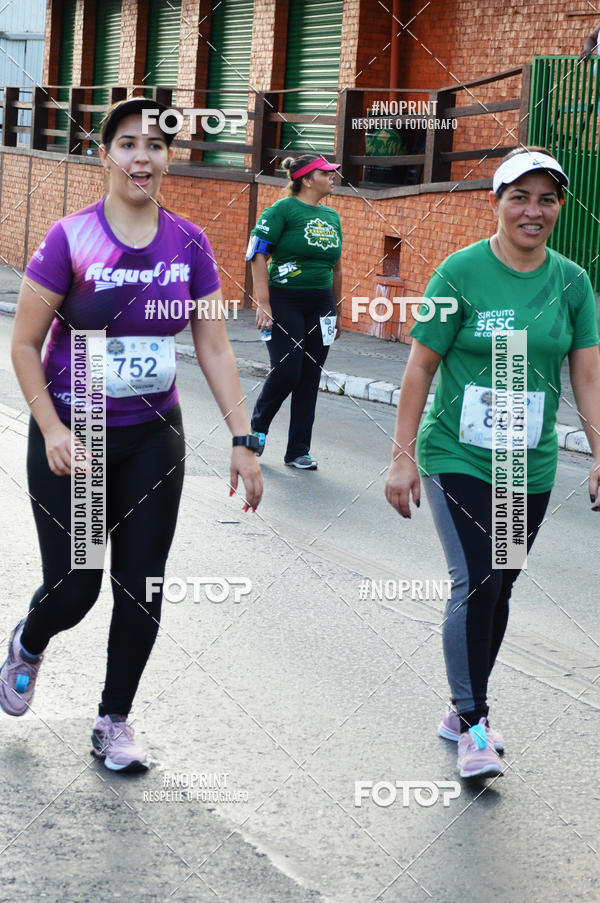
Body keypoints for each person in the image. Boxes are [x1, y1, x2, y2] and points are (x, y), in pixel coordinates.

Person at [0, 99, 263, 771]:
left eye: (155, 144)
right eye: (127, 143)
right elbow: (24, 344)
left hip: (153, 436)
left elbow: (214, 346)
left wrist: (243, 438)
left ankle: (113, 721)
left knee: (142, 585)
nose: (141, 156)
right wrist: (51, 428)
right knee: (77, 587)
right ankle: (30, 640)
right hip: (78, 431)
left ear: (171, 158)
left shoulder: (190, 244)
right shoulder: (71, 238)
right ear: (105, 155)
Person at [385, 147, 600, 779]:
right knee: (477, 578)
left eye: (547, 199)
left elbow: (588, 377)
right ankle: (473, 722)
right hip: (457, 455)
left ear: (559, 207)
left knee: (501, 583)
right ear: (496, 203)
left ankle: (462, 708)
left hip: (526, 465)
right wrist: (401, 457)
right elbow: (420, 367)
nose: (534, 211)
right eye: (520, 197)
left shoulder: (572, 282)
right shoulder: (459, 272)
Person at [247, 154, 343, 470]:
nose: (332, 177)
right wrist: (263, 303)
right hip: (284, 300)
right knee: (288, 371)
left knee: (310, 376)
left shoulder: (332, 216)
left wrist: (338, 311)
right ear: (307, 179)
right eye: (326, 173)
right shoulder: (281, 211)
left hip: (321, 303)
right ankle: (257, 428)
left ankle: (298, 451)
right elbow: (256, 254)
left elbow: (336, 267)